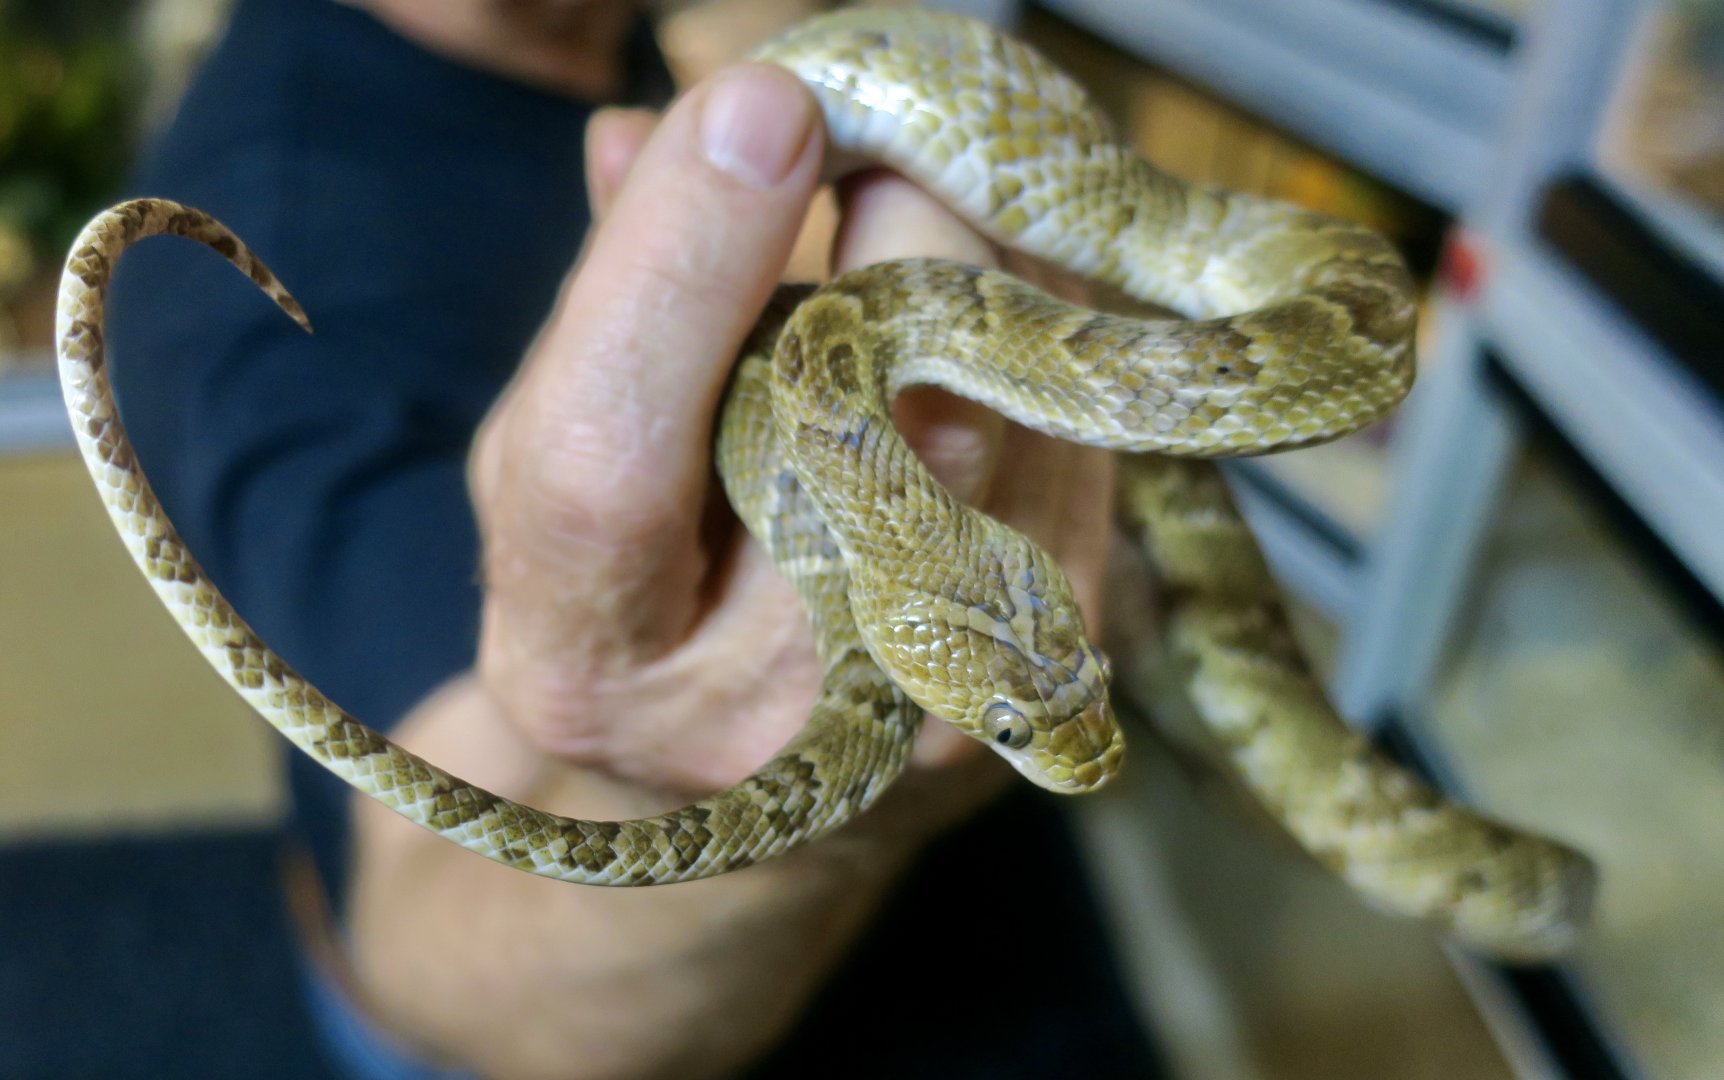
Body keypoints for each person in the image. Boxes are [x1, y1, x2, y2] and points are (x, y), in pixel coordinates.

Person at [108, 1, 1160, 1077]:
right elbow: (451, 960)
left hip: (976, 910)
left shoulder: (592, 36)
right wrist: (813, 799)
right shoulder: (275, 257)